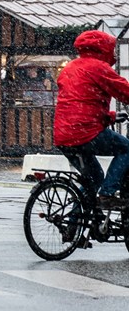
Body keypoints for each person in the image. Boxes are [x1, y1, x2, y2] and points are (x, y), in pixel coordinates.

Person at [55, 30, 129, 209]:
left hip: (64, 135)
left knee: (93, 179)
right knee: (127, 149)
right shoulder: (98, 67)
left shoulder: (70, 68)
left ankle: (72, 227)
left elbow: (81, 103)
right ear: (103, 48)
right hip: (86, 132)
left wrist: (110, 116)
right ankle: (107, 194)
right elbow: (124, 91)